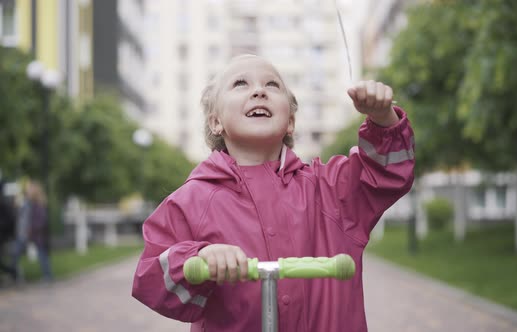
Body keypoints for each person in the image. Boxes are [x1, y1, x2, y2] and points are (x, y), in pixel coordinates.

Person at [132, 54, 415, 332]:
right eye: (240, 83)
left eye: (272, 85)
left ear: (290, 121)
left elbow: (385, 175)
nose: (259, 91)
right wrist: (198, 258)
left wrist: (382, 119)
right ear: (215, 122)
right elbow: (151, 278)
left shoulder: (329, 190)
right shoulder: (191, 201)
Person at [11, 180, 53, 283]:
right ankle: (15, 276)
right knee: (15, 254)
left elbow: (41, 220)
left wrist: (32, 229)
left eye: (29, 189)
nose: (27, 190)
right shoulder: (26, 202)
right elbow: (20, 216)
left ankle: (48, 276)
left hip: (33, 234)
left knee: (42, 255)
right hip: (23, 233)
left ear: (34, 191)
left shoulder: (38, 204)